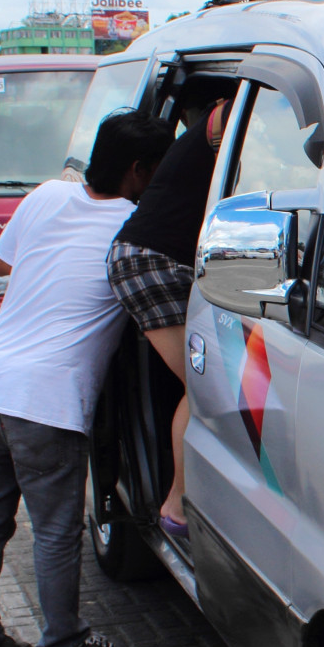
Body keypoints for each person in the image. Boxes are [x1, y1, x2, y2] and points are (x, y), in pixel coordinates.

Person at [0, 110, 173, 647]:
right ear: (140, 170)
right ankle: (63, 643)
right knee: (54, 532)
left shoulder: (49, 194)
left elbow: (1, 262)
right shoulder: (137, 227)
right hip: (47, 403)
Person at [105, 79, 234, 540]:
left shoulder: (211, 151)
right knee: (203, 388)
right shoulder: (217, 125)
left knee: (205, 384)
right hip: (153, 263)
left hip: (168, 262)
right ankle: (176, 504)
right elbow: (229, 113)